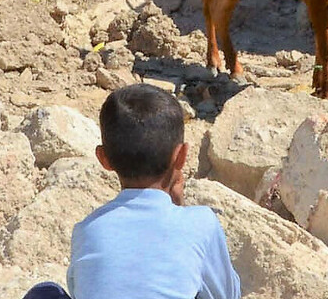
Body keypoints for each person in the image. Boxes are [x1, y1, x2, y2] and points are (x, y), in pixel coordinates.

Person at [24, 85, 241, 299]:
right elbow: (227, 294)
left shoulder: (86, 229)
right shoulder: (201, 223)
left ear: (103, 159)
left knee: (45, 293)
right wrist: (179, 204)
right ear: (182, 156)